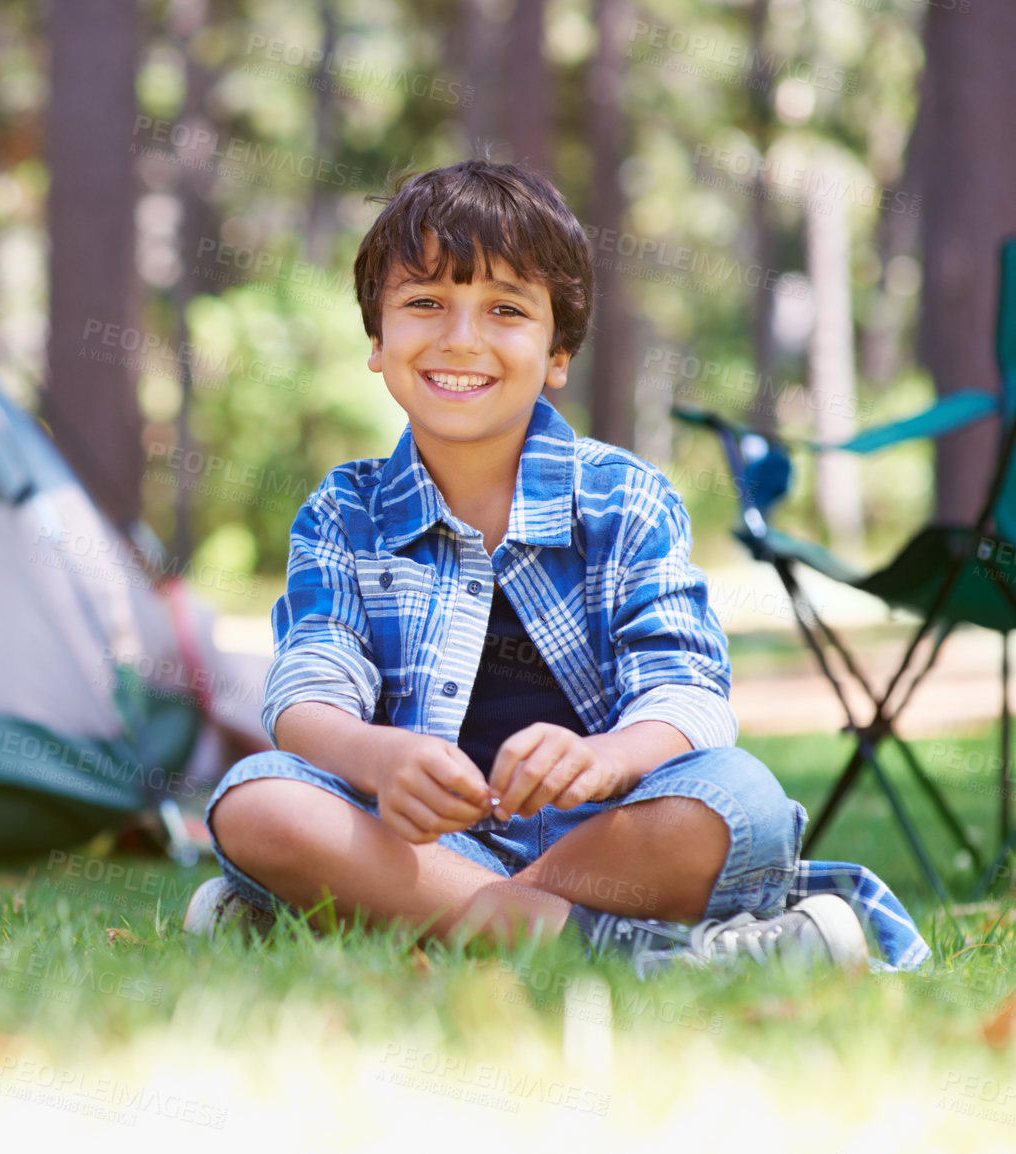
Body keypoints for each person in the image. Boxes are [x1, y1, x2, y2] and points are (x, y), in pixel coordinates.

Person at [183, 160, 928, 975]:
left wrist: (607, 758)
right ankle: (619, 950)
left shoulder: (625, 499)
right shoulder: (342, 512)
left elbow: (687, 693)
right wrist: (377, 757)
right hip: (421, 841)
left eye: (505, 310)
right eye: (425, 303)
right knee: (256, 799)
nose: (461, 337)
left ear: (557, 351)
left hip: (610, 833)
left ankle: (416, 920)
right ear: (378, 340)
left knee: (740, 800)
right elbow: (306, 690)